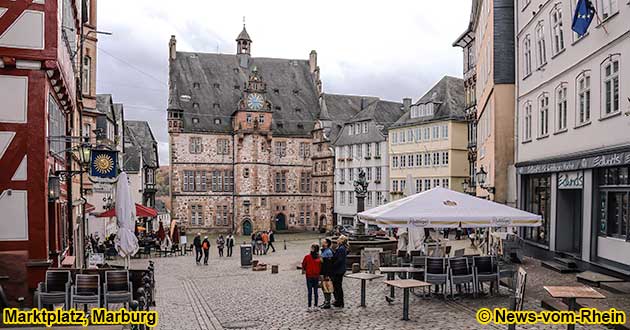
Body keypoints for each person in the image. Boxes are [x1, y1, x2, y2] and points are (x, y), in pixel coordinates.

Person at [301, 243, 321, 310]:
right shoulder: (319, 257)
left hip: (309, 276)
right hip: (316, 276)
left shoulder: (307, 257)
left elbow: (303, 265)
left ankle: (309, 306)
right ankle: (315, 306)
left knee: (310, 291)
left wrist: (304, 270)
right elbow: (321, 267)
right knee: (315, 292)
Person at [331, 235, 348, 308]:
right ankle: (338, 300)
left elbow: (339, 260)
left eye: (338, 239)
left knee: (337, 286)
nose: (337, 240)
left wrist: (333, 265)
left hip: (339, 270)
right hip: (340, 269)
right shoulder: (342, 248)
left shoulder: (341, 248)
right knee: (337, 286)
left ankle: (339, 301)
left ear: (341, 240)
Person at [319, 238, 334, 309]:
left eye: (323, 242)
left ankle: (328, 303)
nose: (322, 243)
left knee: (327, 287)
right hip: (323, 273)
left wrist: (327, 275)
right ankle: (325, 301)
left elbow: (328, 265)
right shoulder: (324, 251)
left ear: (327, 244)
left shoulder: (328, 252)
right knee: (324, 287)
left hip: (326, 273)